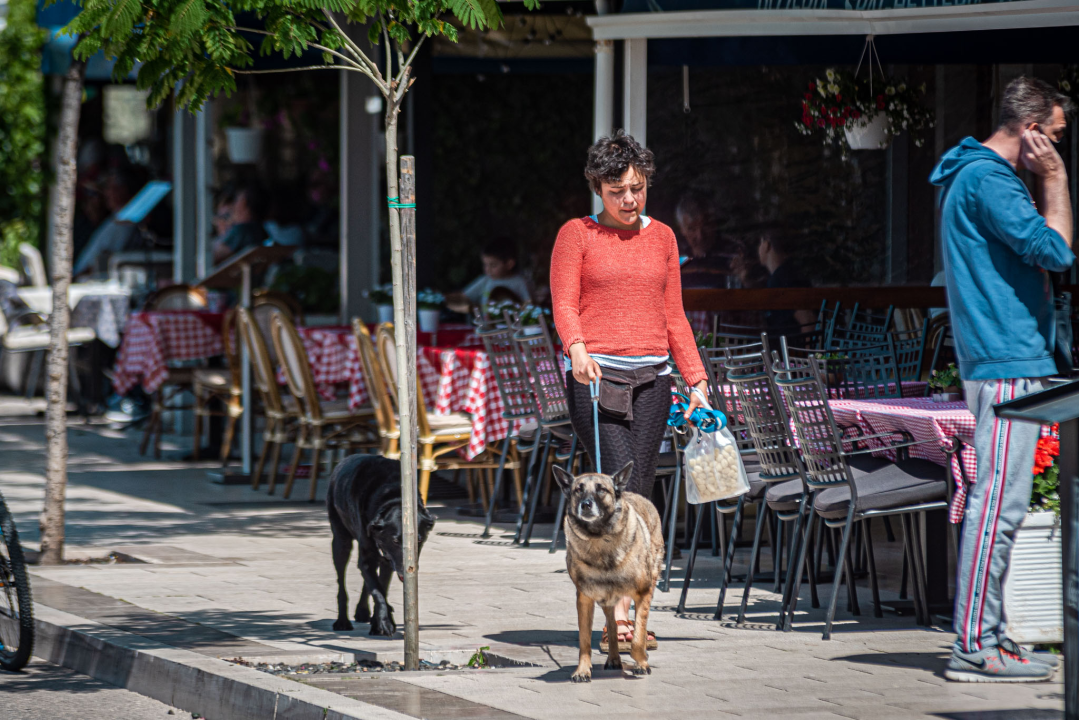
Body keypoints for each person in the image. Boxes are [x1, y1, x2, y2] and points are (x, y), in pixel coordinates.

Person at [930, 76, 1074, 683]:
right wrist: (1057, 182)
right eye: (1059, 136)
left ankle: (991, 637)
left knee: (1004, 502)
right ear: (1034, 130)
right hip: (1007, 361)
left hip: (1008, 358)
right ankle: (973, 646)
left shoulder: (973, 177)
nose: (1063, 148)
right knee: (999, 503)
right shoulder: (990, 179)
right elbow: (1057, 251)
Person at [550, 130, 708, 650]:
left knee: (639, 496)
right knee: (615, 494)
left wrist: (697, 382)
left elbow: (674, 315)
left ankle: (629, 607)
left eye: (638, 188)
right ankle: (620, 618)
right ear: (598, 186)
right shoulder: (576, 235)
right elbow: (565, 303)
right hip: (596, 380)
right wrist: (576, 348)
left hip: (653, 381)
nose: (630, 199)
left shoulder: (662, 238)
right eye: (618, 190)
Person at [73, 169, 142, 278]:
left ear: (123, 190)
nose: (107, 193)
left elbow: (104, 258)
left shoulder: (125, 221)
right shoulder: (115, 218)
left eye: (112, 188)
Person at [446, 239, 532, 313]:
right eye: (485, 265)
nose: (487, 269)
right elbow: (465, 298)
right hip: (486, 330)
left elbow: (529, 307)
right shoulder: (486, 280)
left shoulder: (519, 282)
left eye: (493, 265)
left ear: (509, 264)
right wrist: (443, 299)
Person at [756, 226, 814, 335]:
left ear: (766, 245)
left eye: (760, 243)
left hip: (790, 350)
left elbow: (808, 321)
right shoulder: (782, 275)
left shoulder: (783, 278)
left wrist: (805, 352)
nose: (758, 249)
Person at [212, 182, 268, 264]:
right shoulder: (259, 228)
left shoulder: (242, 230)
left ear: (244, 203)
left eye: (237, 199)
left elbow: (212, 256)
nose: (234, 205)